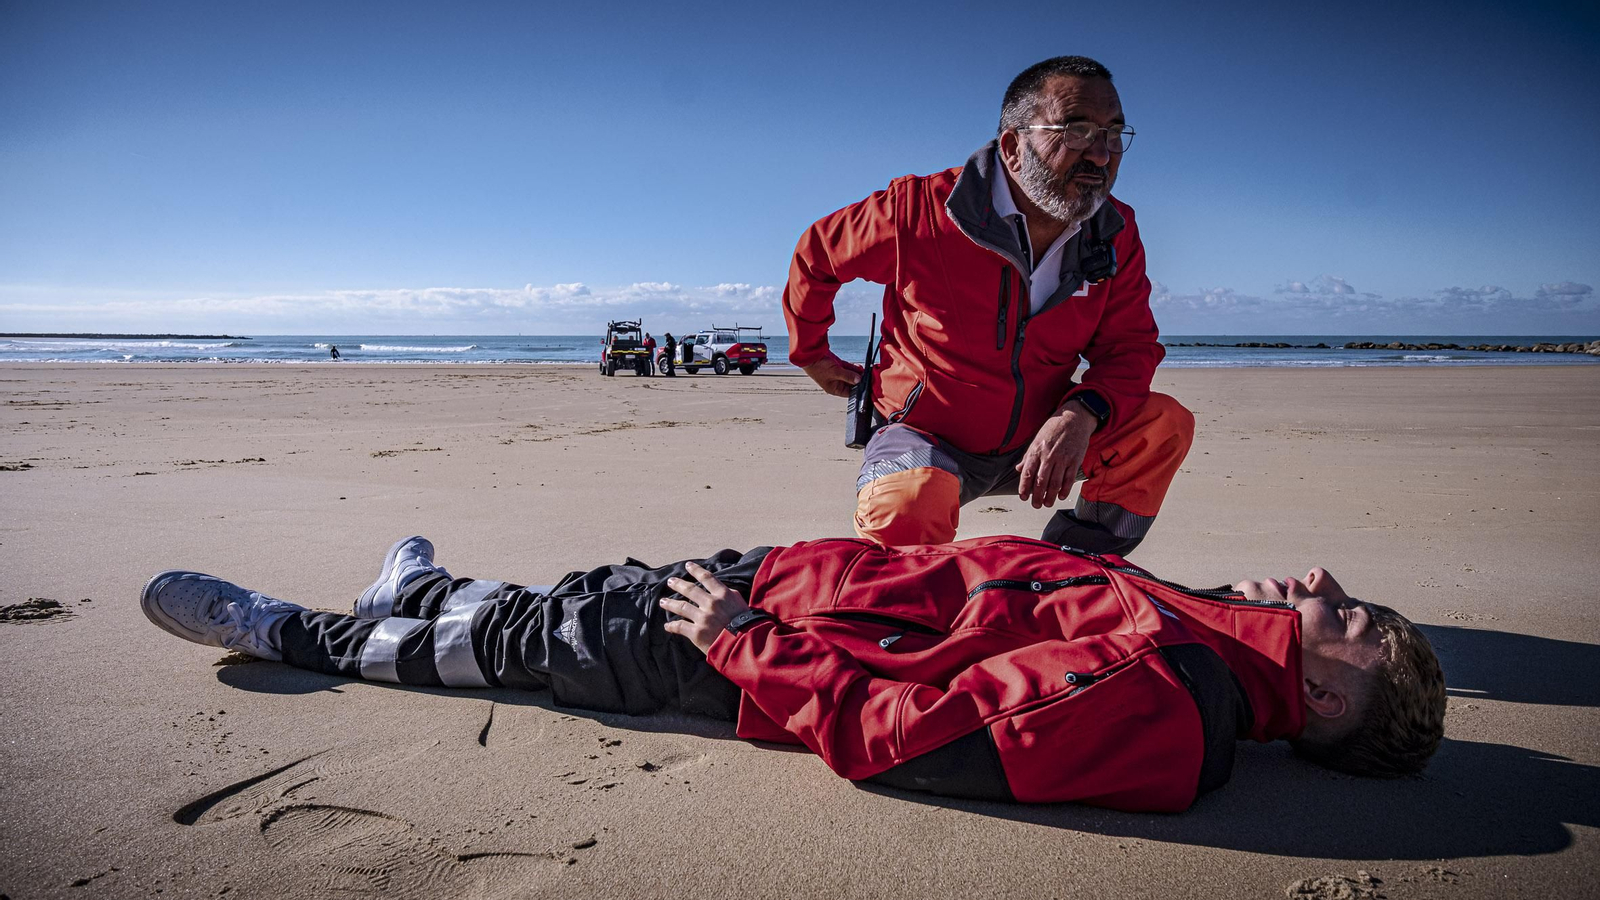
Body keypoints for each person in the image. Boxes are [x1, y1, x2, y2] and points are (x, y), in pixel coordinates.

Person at [142, 533, 1445, 811]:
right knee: (569, 601)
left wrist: (745, 643)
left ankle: (290, 631)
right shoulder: (1207, 625)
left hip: (751, 654)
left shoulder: (1173, 701)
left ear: (1326, 702)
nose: (1328, 582)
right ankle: (419, 593)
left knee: (548, 648)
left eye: (1354, 621)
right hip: (785, 585)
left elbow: (923, 736)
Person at [784, 56, 1192, 556]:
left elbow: (1130, 347)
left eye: (1112, 133)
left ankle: (1077, 569)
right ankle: (908, 610)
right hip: (926, 437)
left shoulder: (1115, 231)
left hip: (1043, 441)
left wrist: (1080, 414)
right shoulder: (917, 210)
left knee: (1162, 425)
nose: (1102, 156)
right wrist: (809, 352)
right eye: (1077, 130)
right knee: (908, 504)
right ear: (1013, 147)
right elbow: (817, 253)